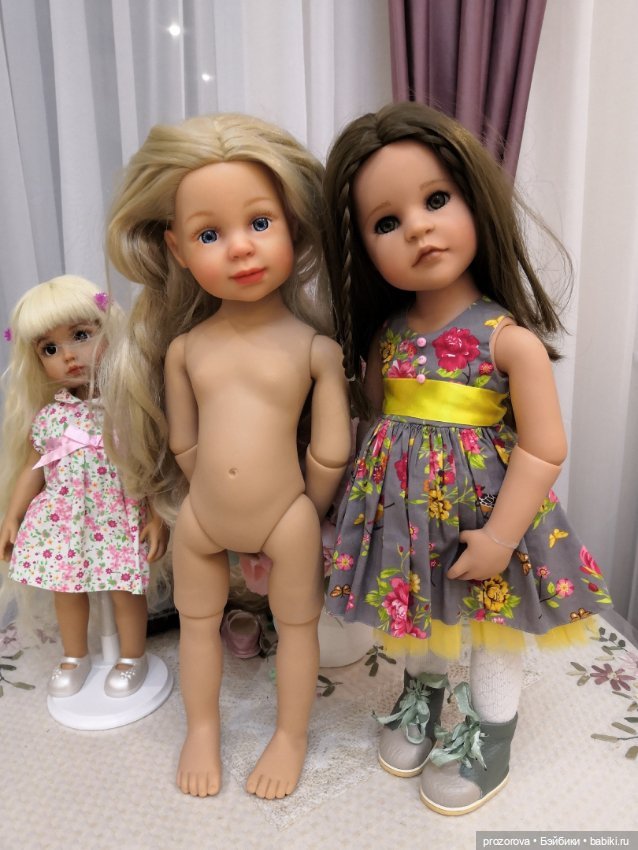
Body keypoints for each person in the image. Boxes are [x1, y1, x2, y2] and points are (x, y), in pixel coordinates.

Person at [323, 102, 612, 815]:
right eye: (386, 222)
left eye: (436, 200)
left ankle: (492, 735)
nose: (418, 228)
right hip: (407, 518)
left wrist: (502, 537)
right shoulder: (387, 337)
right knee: (420, 613)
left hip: (488, 514)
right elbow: (375, 419)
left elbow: (545, 446)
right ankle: (421, 697)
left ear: (476, 200)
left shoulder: (508, 339)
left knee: (492, 628)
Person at [104, 113, 351, 800]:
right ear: (178, 250)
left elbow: (331, 448)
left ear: (292, 227)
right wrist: (212, 494)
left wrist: (305, 510)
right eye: (210, 234)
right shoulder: (186, 349)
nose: (240, 248)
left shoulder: (313, 348)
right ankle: (203, 729)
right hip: (203, 519)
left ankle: (290, 735)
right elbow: (183, 440)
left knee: (297, 627)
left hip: (287, 517)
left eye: (260, 223)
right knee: (197, 627)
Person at [0, 275, 167, 699]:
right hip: (65, 521)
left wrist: (158, 516)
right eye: (50, 349)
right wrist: (13, 515)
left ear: (108, 329)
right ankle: (75, 655)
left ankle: (132, 656)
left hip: (117, 516)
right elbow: (35, 466)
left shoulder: (127, 407)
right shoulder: (51, 416)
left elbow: (148, 464)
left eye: (80, 336)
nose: (69, 356)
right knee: (66, 590)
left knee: (125, 590)